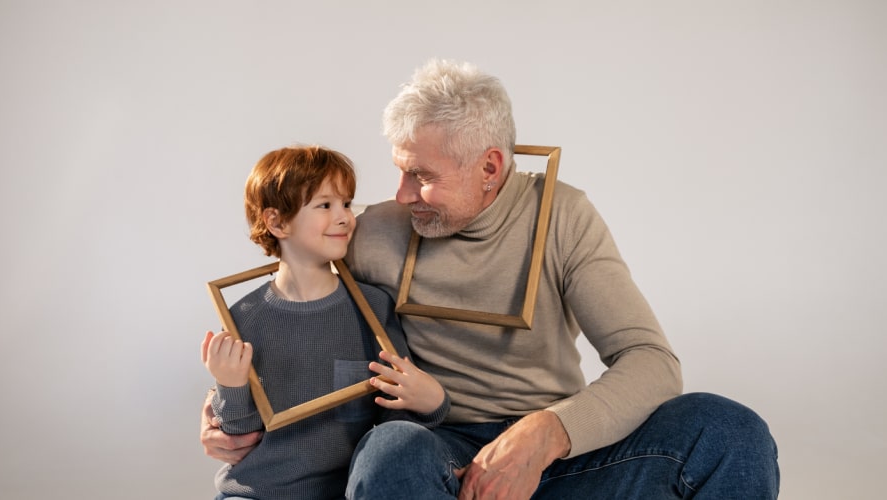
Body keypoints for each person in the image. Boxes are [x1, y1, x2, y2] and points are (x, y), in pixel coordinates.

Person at [202, 61, 779, 499]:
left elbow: (651, 361)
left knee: (730, 430)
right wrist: (226, 404)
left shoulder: (564, 216)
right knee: (389, 450)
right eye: (400, 170)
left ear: (489, 168)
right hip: (439, 456)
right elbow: (294, 303)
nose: (400, 195)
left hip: (563, 454)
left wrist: (548, 433)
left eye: (421, 176)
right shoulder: (377, 231)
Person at [201, 145, 450, 500]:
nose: (345, 217)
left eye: (346, 204)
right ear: (277, 222)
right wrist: (229, 384)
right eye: (325, 205)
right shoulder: (244, 317)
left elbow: (399, 425)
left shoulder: (373, 307)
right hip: (256, 493)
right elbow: (240, 434)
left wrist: (433, 403)